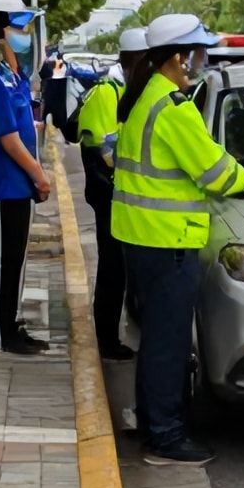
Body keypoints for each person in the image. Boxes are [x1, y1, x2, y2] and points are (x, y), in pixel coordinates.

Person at [113, 14, 244, 466]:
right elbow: (214, 170)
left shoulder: (144, 98)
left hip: (143, 238)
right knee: (169, 343)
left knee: (157, 340)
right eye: (197, 51)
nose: (202, 59)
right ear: (179, 57)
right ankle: (165, 436)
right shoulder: (175, 109)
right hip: (169, 243)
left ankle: (153, 421)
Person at [0, 0, 53, 355]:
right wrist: (39, 175)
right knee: (4, 263)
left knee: (18, 262)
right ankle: (2, 333)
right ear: (1, 32)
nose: (27, 34)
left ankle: (13, 324)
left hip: (21, 187)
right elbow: (8, 140)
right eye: (21, 27)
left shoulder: (15, 77)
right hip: (6, 187)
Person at [76, 28, 147, 360]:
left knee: (123, 267)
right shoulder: (107, 92)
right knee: (112, 268)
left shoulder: (127, 89)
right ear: (133, 59)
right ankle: (106, 340)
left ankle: (111, 334)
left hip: (122, 193)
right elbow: (105, 149)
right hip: (109, 195)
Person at [41, 46, 71, 141]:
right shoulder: (62, 64)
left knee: (51, 112)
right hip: (57, 90)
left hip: (53, 89)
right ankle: (63, 134)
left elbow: (44, 74)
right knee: (57, 113)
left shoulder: (50, 63)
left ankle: (52, 131)